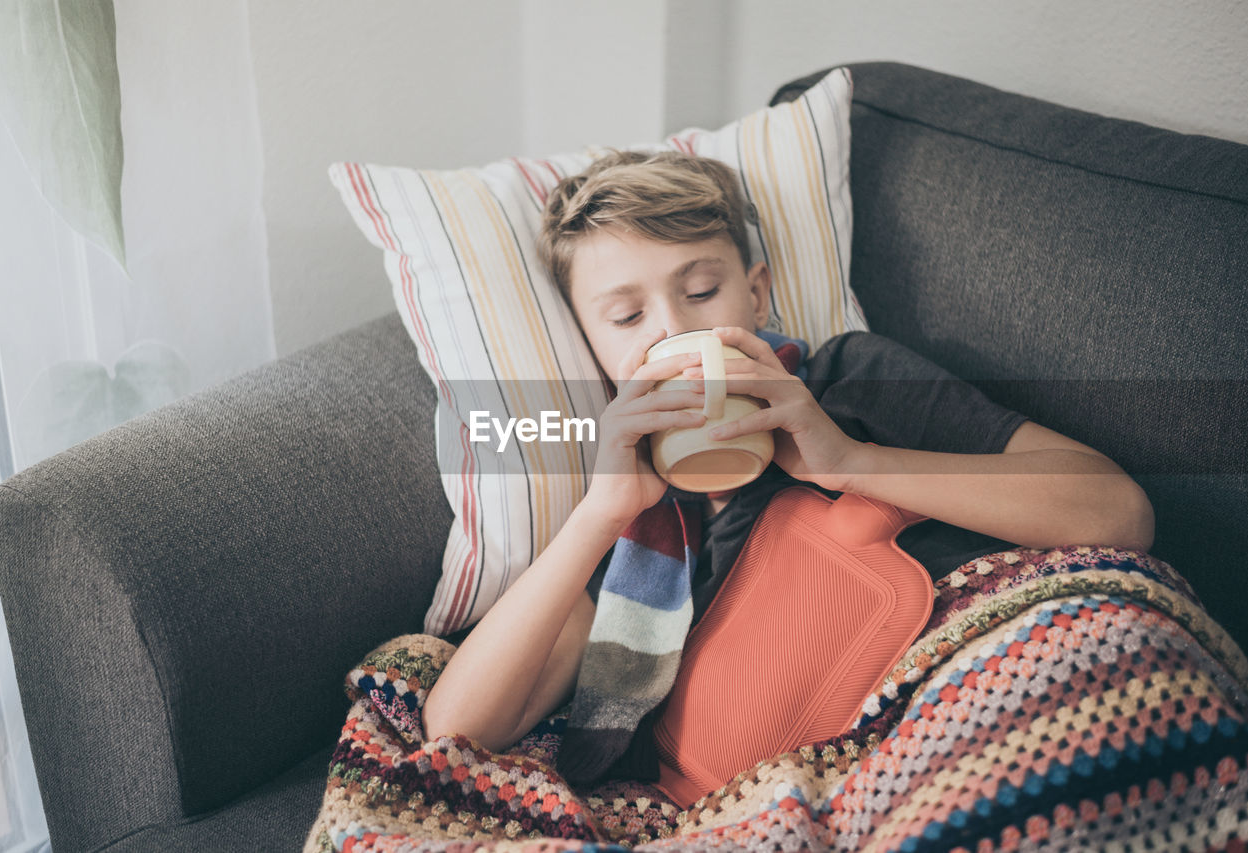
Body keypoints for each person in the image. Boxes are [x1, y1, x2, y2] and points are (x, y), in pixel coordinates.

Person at [420, 149, 1154, 783]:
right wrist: (600, 514)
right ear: (595, 353)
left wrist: (852, 460)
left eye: (701, 291)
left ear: (758, 292)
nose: (675, 329)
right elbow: (454, 732)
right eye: (627, 318)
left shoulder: (846, 378)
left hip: (1017, 683)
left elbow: (1118, 514)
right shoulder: (634, 543)